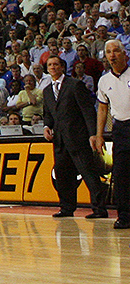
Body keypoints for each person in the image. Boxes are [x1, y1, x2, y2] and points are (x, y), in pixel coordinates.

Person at [43, 55, 107, 218]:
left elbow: (87, 110)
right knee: (63, 176)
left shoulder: (75, 85)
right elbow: (48, 114)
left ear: (62, 67)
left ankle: (99, 209)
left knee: (89, 173)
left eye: (56, 64)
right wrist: (46, 127)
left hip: (78, 138)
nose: (53, 67)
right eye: (50, 65)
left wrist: (93, 134)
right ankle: (66, 208)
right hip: (59, 140)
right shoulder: (47, 90)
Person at [93, 39, 130, 229]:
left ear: (124, 53)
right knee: (121, 174)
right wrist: (99, 135)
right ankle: (124, 216)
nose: (112, 55)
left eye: (116, 51)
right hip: (121, 129)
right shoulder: (104, 80)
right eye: (109, 52)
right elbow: (102, 109)